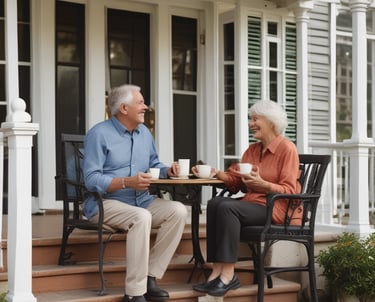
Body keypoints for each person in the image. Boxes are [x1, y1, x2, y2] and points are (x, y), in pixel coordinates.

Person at [83, 84, 188, 302]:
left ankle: (150, 277)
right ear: (123, 108)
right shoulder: (99, 134)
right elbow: (91, 180)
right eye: (140, 103)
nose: (145, 107)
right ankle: (134, 293)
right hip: (106, 203)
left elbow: (154, 164)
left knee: (177, 210)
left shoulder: (144, 134)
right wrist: (125, 182)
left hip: (142, 200)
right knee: (141, 217)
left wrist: (167, 170)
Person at [192, 100, 301, 297]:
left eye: (255, 119)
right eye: (251, 119)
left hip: (277, 209)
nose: (251, 123)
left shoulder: (287, 149)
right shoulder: (252, 150)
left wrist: (264, 185)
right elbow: (236, 184)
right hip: (253, 205)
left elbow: (290, 190)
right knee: (215, 203)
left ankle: (228, 275)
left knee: (227, 208)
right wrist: (215, 173)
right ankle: (216, 272)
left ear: (271, 122)